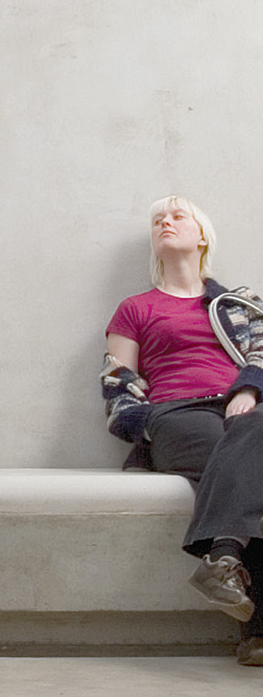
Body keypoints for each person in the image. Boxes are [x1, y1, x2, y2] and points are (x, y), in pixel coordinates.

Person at [101, 195, 263, 666]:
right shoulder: (135, 308)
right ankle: (255, 626)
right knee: (240, 461)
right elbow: (117, 382)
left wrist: (248, 393)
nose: (165, 223)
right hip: (174, 415)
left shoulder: (239, 302)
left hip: (238, 410)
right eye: (157, 220)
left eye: (177, 216)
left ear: (202, 236)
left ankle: (226, 565)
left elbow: (261, 355)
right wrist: (144, 425)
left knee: (248, 447)